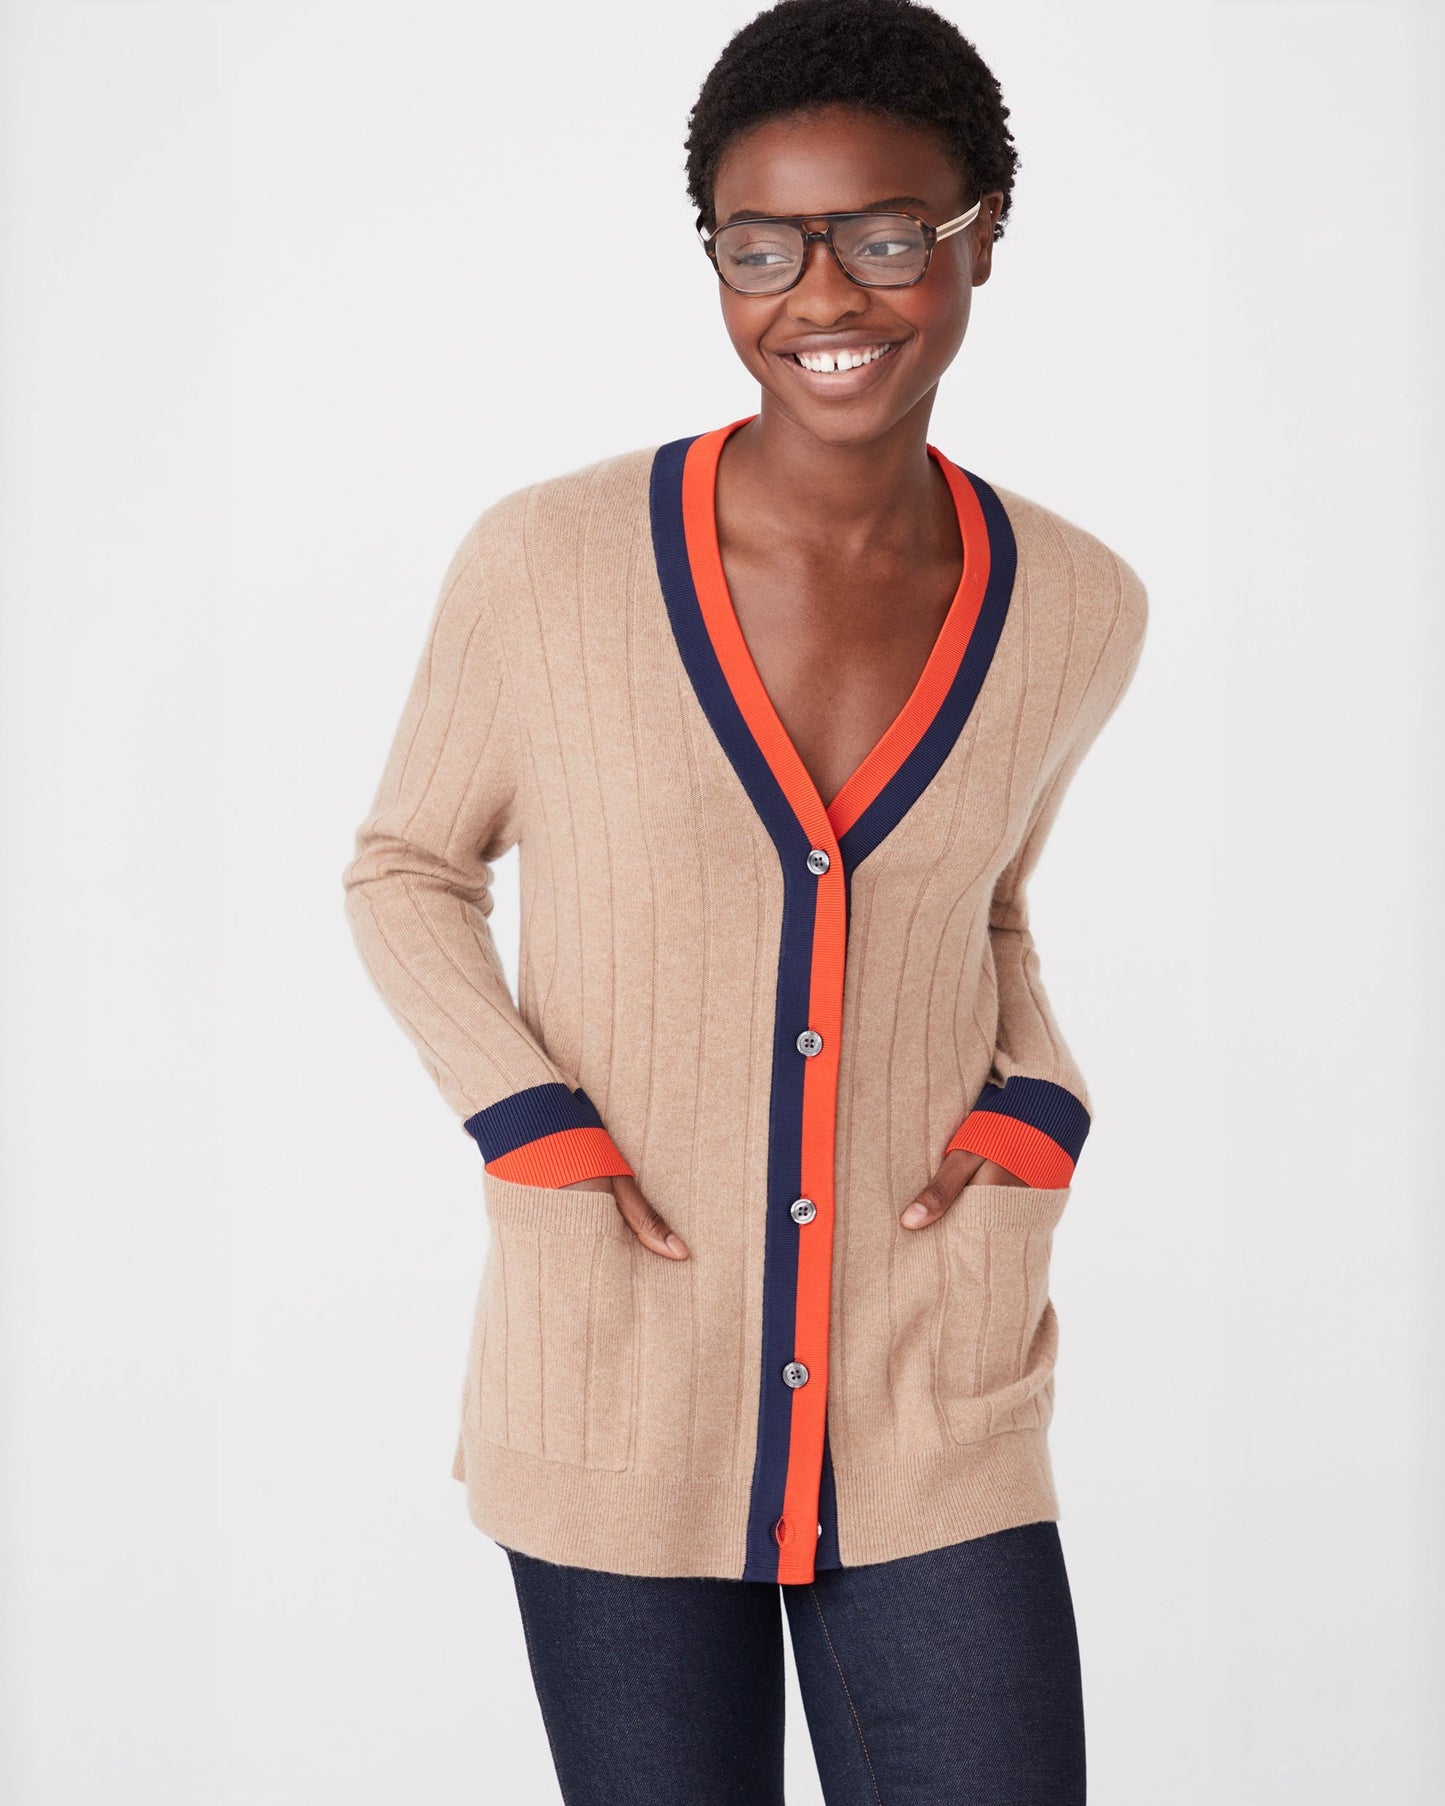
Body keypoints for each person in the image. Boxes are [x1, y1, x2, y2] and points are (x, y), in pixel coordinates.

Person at [341, 0, 1148, 1798]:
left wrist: (1040, 1101)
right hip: (625, 1355)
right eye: (760, 246)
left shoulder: (1078, 602)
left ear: (983, 234)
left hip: (929, 1371)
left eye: (886, 236)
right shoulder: (545, 562)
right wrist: (531, 1123)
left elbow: (984, 907)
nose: (822, 296)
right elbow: (407, 867)